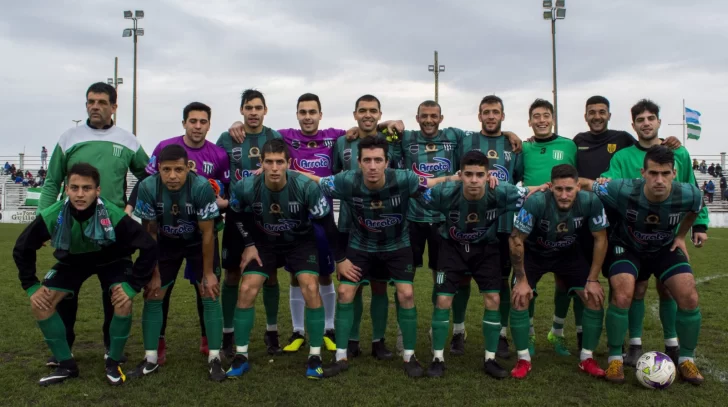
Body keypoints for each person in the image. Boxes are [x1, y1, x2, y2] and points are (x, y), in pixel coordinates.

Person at [307, 136, 456, 378]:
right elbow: (316, 180)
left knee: (406, 293)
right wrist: (284, 171)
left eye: (378, 160)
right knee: (345, 292)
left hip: (397, 245)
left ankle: (409, 356)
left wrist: (455, 178)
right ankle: (341, 356)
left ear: (387, 162)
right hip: (360, 245)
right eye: (367, 160)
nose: (373, 165)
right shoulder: (346, 181)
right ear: (359, 162)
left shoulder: (404, 178)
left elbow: (430, 184)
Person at [227, 93, 357, 354]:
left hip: (319, 214)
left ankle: (327, 329)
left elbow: (366, 126)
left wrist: (389, 124)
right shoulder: (283, 136)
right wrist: (238, 124)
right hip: (287, 216)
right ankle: (297, 331)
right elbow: (257, 130)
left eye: (312, 112)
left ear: (321, 114)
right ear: (296, 114)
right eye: (302, 112)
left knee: (322, 274)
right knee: (296, 277)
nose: (307, 117)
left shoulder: (336, 136)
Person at [13, 163, 157, 386]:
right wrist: (31, 285)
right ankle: (66, 365)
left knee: (123, 300)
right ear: (67, 189)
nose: (80, 194)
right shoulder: (53, 214)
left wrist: (132, 285)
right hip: (73, 261)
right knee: (40, 303)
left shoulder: (113, 214)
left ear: (97, 191)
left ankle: (113, 361)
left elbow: (148, 246)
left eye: (87, 188)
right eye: (75, 187)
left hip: (112, 260)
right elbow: (22, 247)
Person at [38, 82, 149, 367]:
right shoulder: (69, 138)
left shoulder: (128, 140)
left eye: (101, 102)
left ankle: (113, 348)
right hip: (72, 231)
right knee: (65, 292)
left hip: (114, 232)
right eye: (90, 101)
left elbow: (149, 176)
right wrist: (45, 222)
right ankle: (65, 347)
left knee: (115, 290)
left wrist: (131, 208)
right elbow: (52, 182)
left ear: (114, 107)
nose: (95, 106)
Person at [581, 145, 706, 384]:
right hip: (627, 248)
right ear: (643, 172)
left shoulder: (690, 193)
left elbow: (694, 210)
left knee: (689, 295)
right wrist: (551, 187)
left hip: (664, 249)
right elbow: (586, 183)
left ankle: (686, 360)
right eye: (653, 173)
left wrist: (681, 236)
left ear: (674, 173)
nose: (659, 179)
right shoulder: (622, 188)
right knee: (623, 293)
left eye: (665, 173)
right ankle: (615, 358)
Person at [600, 99, 709, 366]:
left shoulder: (679, 153)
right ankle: (634, 343)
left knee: (670, 289)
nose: (646, 123)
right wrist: (602, 181)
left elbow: (692, 191)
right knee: (633, 289)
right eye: (641, 120)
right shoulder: (623, 156)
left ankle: (673, 343)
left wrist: (698, 226)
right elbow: (608, 180)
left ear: (659, 122)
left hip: (667, 233)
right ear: (634, 125)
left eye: (651, 118)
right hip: (632, 234)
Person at [225, 138, 339, 379]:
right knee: (246, 288)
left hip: (300, 242)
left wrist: (340, 257)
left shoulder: (306, 187)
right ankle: (241, 355)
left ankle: (315, 355)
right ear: (261, 163)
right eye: (269, 162)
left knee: (310, 286)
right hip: (264, 243)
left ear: (288, 163)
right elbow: (235, 215)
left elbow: (326, 222)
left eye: (279, 162)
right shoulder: (246, 186)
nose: (275, 168)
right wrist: (249, 244)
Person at [127, 102, 229, 363]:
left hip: (197, 237)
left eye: (202, 121)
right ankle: (154, 348)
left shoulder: (206, 177)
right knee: (156, 290)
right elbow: (148, 231)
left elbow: (209, 232)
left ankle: (211, 346)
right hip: (165, 240)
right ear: (184, 122)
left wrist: (208, 273)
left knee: (208, 289)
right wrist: (154, 272)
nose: (172, 174)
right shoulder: (154, 175)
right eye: (192, 121)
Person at [423, 151, 529, 378]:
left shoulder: (501, 191)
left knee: (494, 298)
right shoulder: (444, 193)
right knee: (443, 299)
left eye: (479, 175)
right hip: (451, 248)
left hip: (485, 249)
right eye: (468, 174)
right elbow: (414, 192)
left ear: (488, 175)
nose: (473, 180)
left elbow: (532, 193)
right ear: (460, 175)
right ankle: (438, 358)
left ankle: (490, 359)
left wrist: (547, 187)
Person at [510, 164, 609, 379]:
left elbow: (600, 238)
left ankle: (587, 358)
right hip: (535, 254)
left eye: (569, 189)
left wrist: (593, 279)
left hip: (568, 253)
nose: (564, 195)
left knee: (594, 297)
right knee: (520, 296)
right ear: (551, 187)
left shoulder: (591, 201)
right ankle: (523, 359)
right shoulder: (536, 202)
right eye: (559, 189)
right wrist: (521, 279)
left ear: (578, 187)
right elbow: (516, 239)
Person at [216, 89, 284, 356]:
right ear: (241, 111)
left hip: (267, 213)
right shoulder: (227, 137)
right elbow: (219, 171)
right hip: (237, 213)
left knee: (269, 274)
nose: (253, 112)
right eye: (248, 107)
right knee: (232, 274)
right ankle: (227, 335)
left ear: (265, 110)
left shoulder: (274, 137)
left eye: (258, 107)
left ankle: (272, 332)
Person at [520, 98, 577, 356]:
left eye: (546, 115)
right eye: (536, 116)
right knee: (527, 282)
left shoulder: (569, 145)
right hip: (533, 219)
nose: (541, 120)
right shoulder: (524, 148)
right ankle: (529, 335)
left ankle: (557, 332)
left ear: (552, 118)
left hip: (566, 218)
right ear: (529, 121)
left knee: (564, 281)